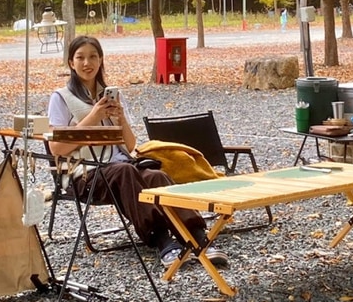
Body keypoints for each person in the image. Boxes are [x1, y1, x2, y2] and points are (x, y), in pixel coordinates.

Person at [47, 35, 228, 269]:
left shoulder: (111, 95)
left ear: (101, 60)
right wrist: (94, 117)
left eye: (93, 56)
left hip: (122, 167)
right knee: (124, 171)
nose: (86, 63)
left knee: (156, 176)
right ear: (71, 63)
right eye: (80, 58)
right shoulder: (61, 98)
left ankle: (198, 237)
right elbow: (56, 148)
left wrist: (120, 119)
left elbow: (130, 146)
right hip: (84, 174)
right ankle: (162, 240)